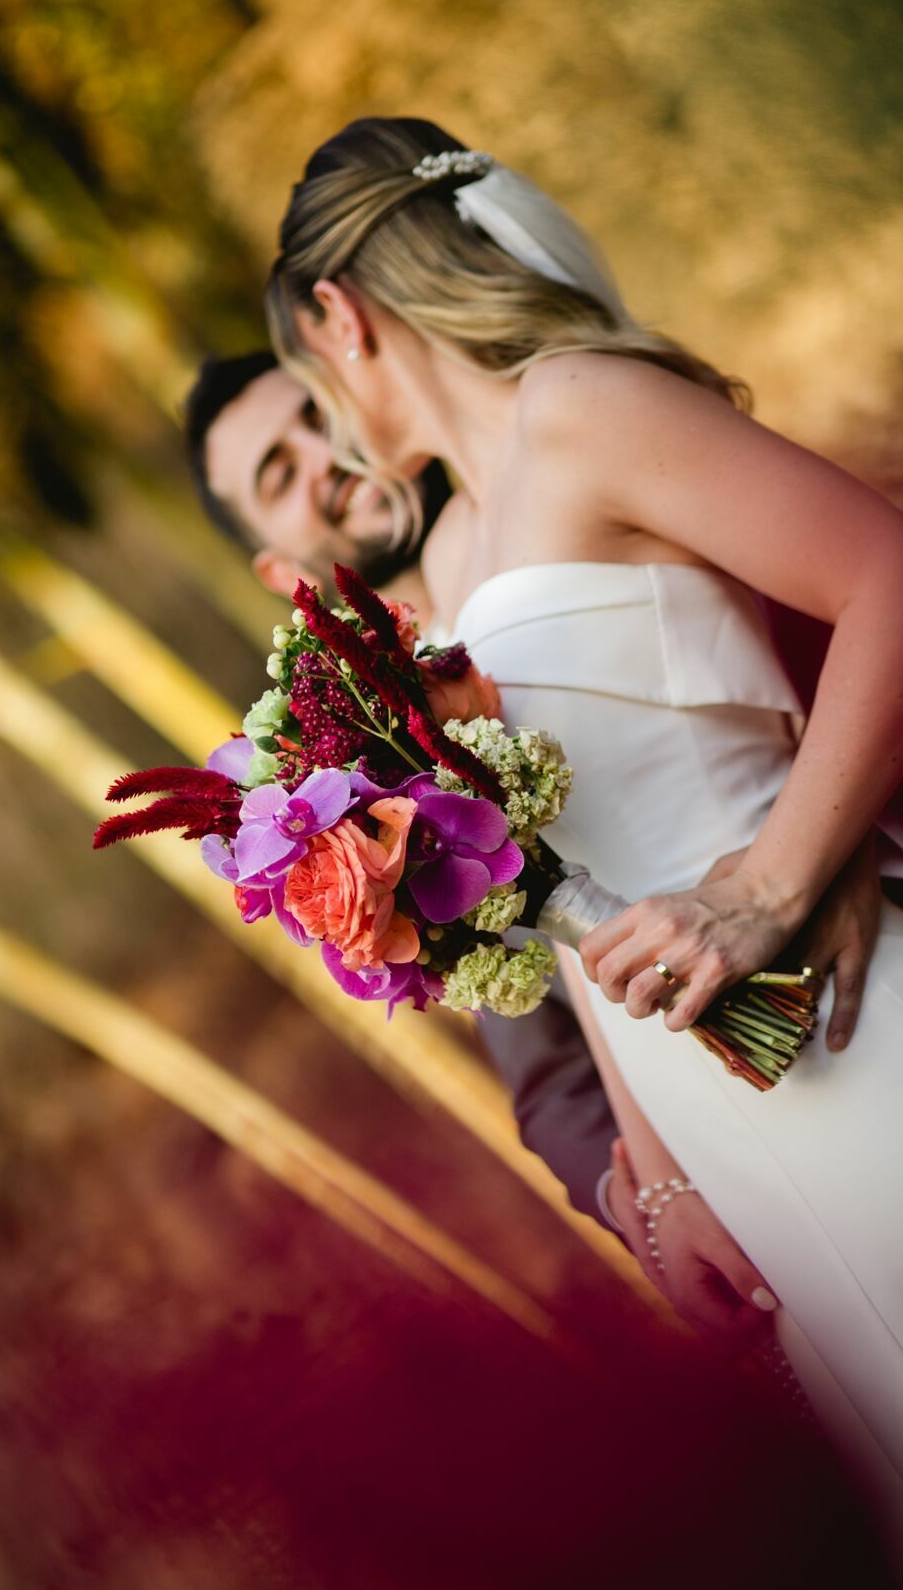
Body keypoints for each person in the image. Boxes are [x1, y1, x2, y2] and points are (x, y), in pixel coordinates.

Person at [263, 116, 903, 1535]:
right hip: (698, 1097)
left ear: (337, 317)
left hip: (835, 1003)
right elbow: (553, 894)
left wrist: (773, 876)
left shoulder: (588, 406)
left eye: (311, 382)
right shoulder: (439, 562)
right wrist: (660, 1178)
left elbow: (884, 578)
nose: (333, 421)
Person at [183, 348, 885, 1352]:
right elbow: (544, 1073)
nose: (321, 461)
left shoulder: (585, 511)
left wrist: (828, 846)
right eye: (278, 475)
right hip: (734, 1152)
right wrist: (646, 1196)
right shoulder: (365, 772)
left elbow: (823, 633)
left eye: (314, 419)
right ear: (278, 571)